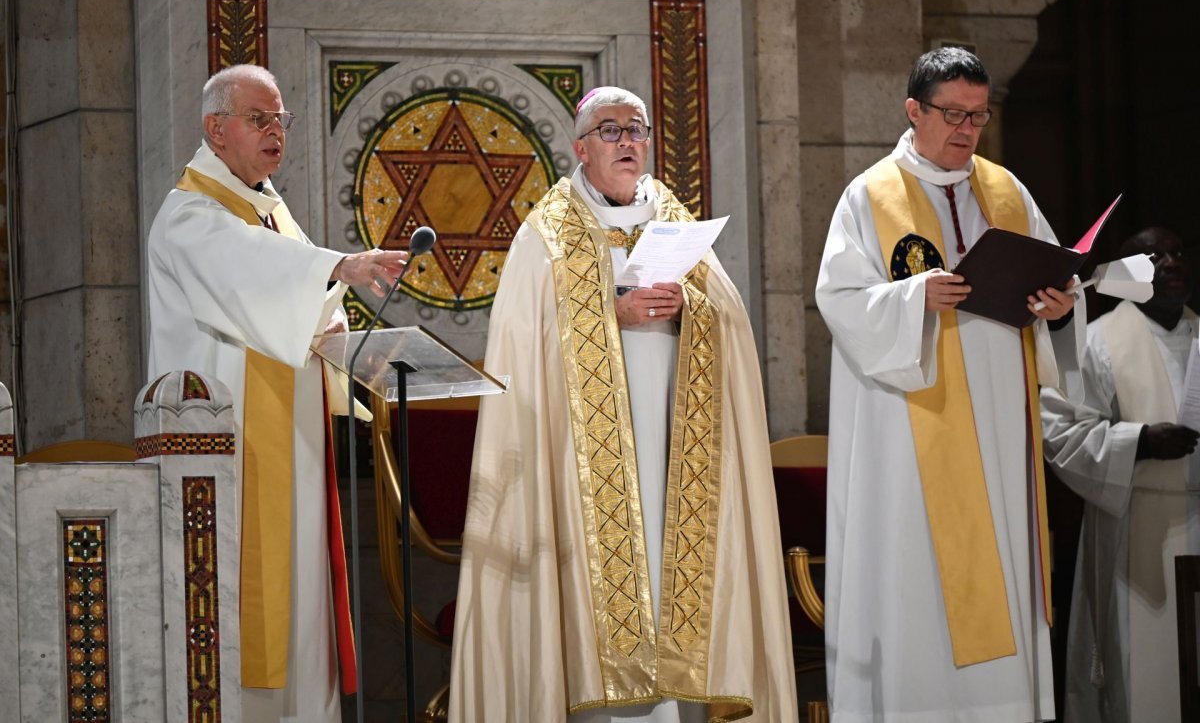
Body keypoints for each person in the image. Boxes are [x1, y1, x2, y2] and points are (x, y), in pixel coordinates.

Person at [449, 87, 798, 722]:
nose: (627, 141)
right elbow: (520, 353)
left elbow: (731, 324)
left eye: (636, 128)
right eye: (609, 130)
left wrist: (690, 308)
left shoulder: (673, 219)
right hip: (581, 465)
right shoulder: (547, 234)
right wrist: (611, 315)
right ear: (580, 149)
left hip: (674, 449)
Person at [815, 47, 1084, 722]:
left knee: (1004, 561)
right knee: (919, 585)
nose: (967, 129)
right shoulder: (870, 195)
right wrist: (911, 299)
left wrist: (1058, 306)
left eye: (978, 115)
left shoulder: (1004, 190)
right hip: (911, 428)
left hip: (998, 428)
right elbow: (840, 300)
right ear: (914, 111)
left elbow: (1054, 277)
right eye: (953, 114)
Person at [146, 64, 409, 723]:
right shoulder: (189, 215)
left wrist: (355, 341)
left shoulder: (270, 213)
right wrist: (336, 267)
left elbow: (311, 308)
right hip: (227, 457)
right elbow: (252, 270)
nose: (275, 131)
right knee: (247, 609)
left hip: (291, 445)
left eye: (280, 119)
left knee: (300, 612)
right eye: (259, 118)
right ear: (216, 128)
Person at [1041, 226, 1199, 723]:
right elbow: (1062, 432)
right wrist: (1140, 444)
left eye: (1176, 252)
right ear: (1126, 277)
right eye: (1153, 256)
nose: (1170, 263)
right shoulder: (1099, 340)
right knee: (1144, 679)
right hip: (1135, 523)